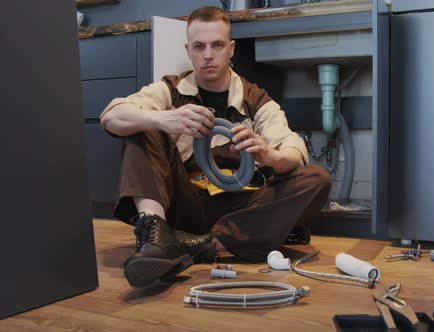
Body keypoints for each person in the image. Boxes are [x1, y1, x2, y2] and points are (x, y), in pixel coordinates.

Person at [100, 6, 331, 287]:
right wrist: (165, 118)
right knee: (140, 122)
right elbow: (112, 116)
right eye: (199, 46)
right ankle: (157, 238)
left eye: (217, 45)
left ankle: (208, 245)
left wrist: (270, 155)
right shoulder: (170, 90)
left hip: (239, 207)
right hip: (185, 201)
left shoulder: (255, 98)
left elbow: (294, 151)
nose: (208, 55)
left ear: (231, 48)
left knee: (315, 179)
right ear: (188, 50)